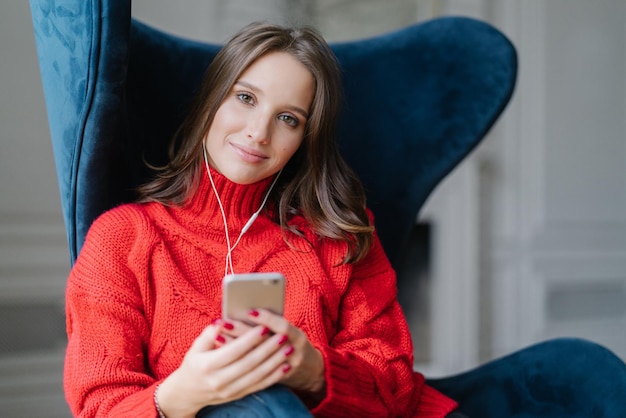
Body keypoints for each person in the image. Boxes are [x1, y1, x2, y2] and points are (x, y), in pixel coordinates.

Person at [63, 22, 461, 417]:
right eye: (245, 98)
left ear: (305, 140)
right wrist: (181, 394)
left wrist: (314, 372)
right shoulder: (121, 239)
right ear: (211, 100)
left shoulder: (341, 234)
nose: (258, 133)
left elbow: (397, 386)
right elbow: (99, 405)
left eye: (288, 118)